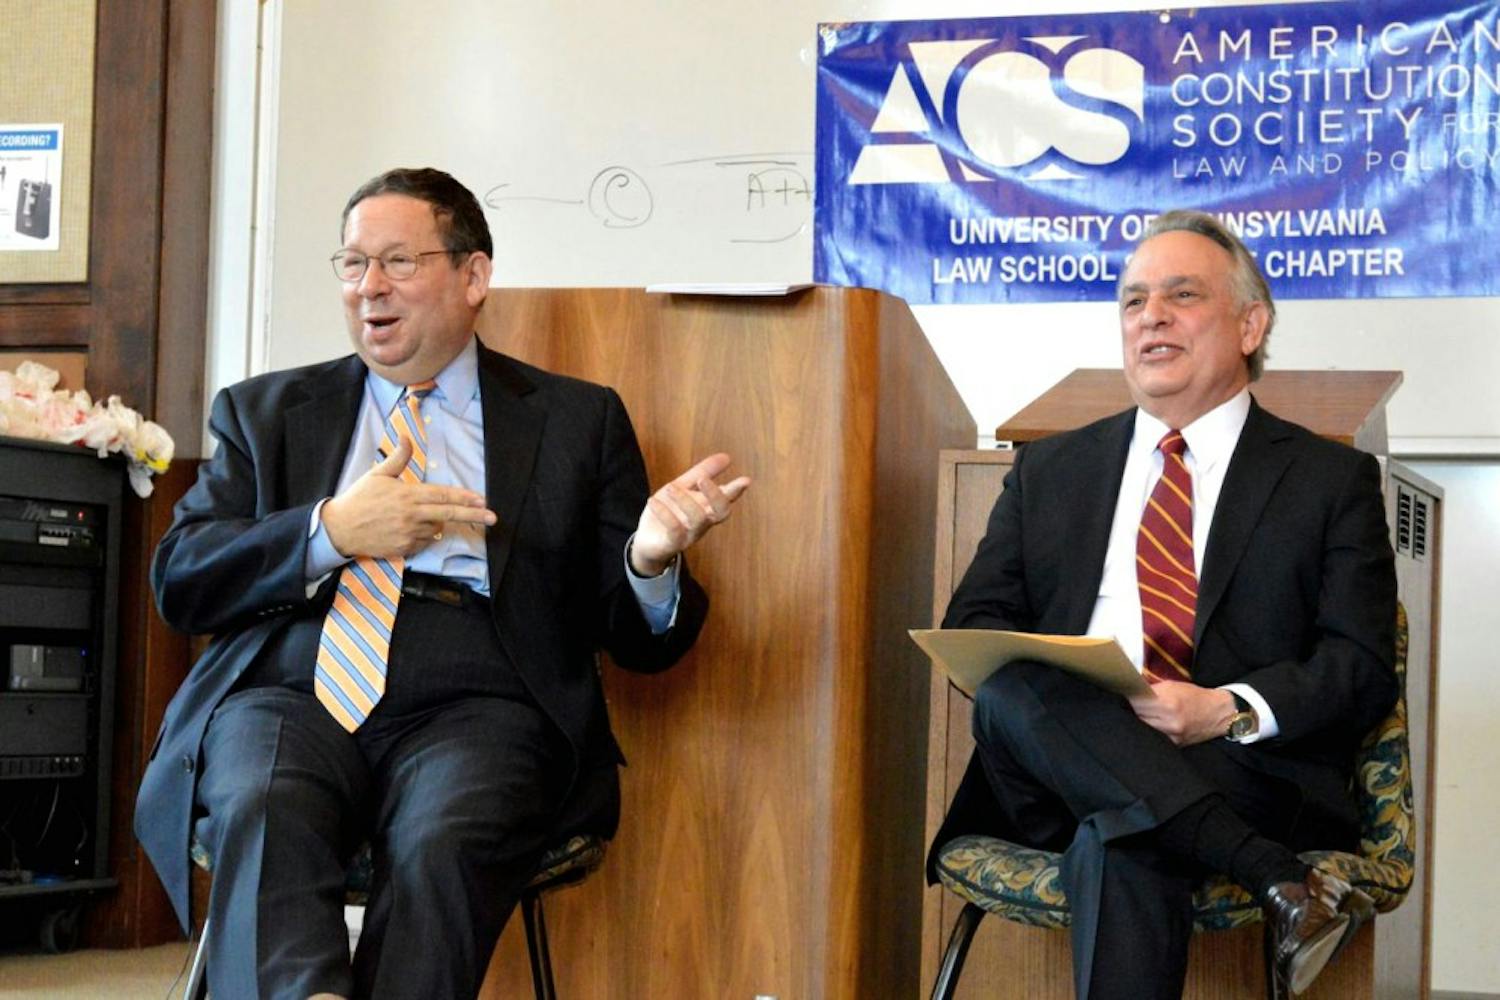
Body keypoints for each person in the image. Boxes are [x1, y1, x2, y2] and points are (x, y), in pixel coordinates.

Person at [135, 167, 749, 999]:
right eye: (352, 265)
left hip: (480, 693)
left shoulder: (576, 417)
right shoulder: (266, 411)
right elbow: (181, 579)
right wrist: (330, 533)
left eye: (398, 260)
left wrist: (649, 559)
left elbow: (640, 644)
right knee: (266, 798)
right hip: (292, 680)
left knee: (445, 836)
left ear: (473, 275)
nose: (368, 288)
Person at [928, 210, 1396, 998]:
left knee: (1124, 836)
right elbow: (974, 631)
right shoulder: (1050, 471)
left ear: (1252, 324)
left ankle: (1262, 862)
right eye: (1134, 301)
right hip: (1055, 774)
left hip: (1240, 769)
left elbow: (1359, 666)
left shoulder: (1327, 482)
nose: (1151, 317)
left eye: (1182, 295)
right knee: (1011, 684)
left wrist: (1225, 708)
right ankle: (1275, 879)